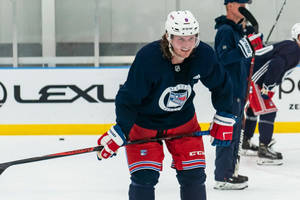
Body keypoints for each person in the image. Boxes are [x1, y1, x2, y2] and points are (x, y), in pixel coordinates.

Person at [96, 10, 236, 200]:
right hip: (144, 125)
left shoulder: (203, 54)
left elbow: (221, 83)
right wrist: (121, 129)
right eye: (180, 39)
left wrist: (225, 114)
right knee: (144, 178)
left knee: (194, 176)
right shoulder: (148, 58)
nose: (187, 46)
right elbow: (128, 99)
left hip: (183, 122)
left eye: (191, 38)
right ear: (168, 37)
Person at [213, 0, 262, 190]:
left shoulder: (236, 31)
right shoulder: (225, 31)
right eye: (241, 3)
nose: (244, 6)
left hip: (238, 91)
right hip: (228, 91)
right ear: (230, 5)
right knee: (227, 133)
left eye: (246, 3)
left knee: (235, 133)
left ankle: (230, 172)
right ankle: (223, 177)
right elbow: (223, 58)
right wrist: (245, 47)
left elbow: (244, 57)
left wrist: (252, 44)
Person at [242, 22, 300, 165]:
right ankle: (264, 149)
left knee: (253, 109)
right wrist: (267, 86)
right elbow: (276, 63)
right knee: (269, 110)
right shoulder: (294, 49)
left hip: (249, 75)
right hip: (254, 78)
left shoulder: (290, 46)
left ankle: (246, 142)